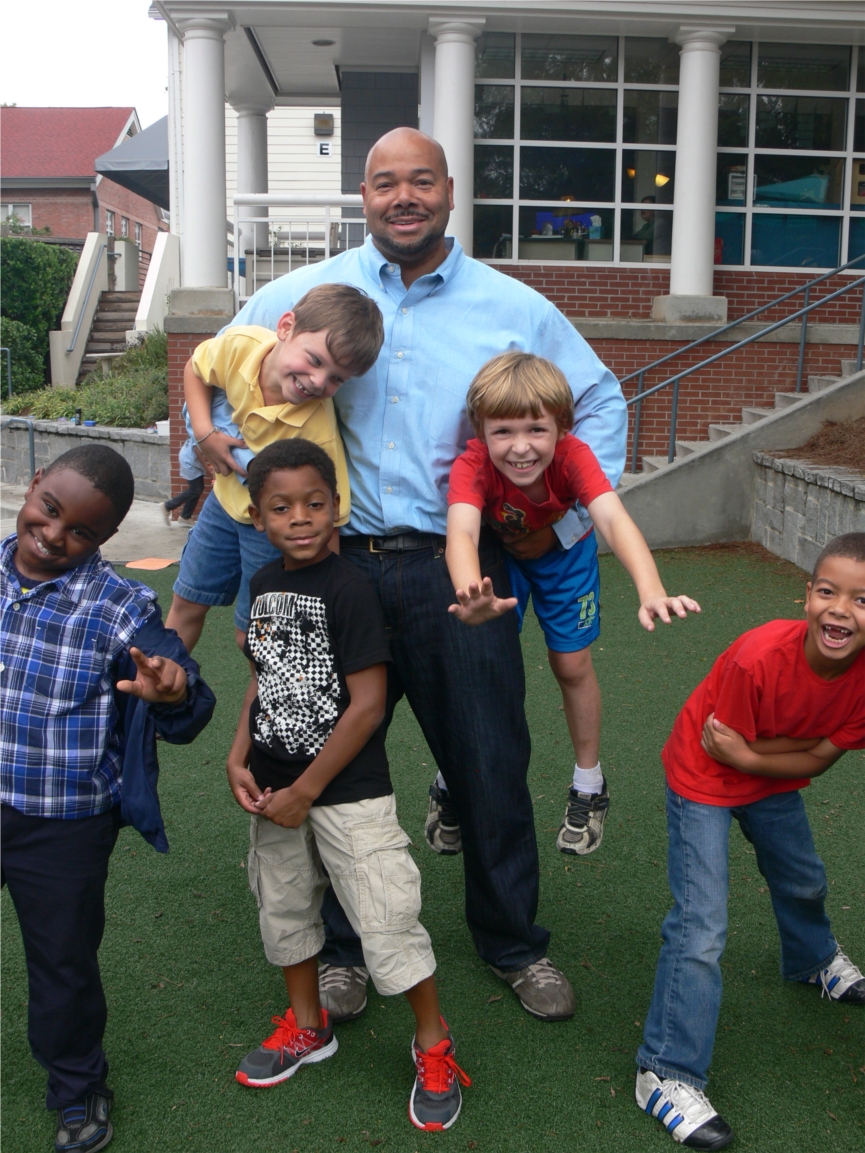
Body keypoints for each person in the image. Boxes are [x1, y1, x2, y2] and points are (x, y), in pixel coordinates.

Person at [228, 126, 628, 1024]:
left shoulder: (512, 305)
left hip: (459, 569)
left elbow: (601, 400)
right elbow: (223, 379)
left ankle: (512, 941)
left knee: (489, 758)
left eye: (419, 181)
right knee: (315, 759)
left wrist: (556, 521)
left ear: (450, 191)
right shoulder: (296, 296)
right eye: (382, 183)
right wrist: (210, 459)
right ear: (362, 195)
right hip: (326, 573)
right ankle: (339, 951)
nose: (401, 196)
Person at [226, 439, 470, 1131]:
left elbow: (367, 704)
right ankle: (309, 1027)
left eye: (313, 503)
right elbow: (262, 677)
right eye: (281, 506)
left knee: (387, 919)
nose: (299, 517)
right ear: (256, 515)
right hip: (273, 790)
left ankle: (432, 1042)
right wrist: (237, 755)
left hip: (345, 793)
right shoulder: (263, 582)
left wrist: (307, 788)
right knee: (285, 912)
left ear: (338, 506)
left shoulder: (351, 588)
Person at [1, 444, 216, 1153]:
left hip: (60, 825)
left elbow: (184, 685)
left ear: (106, 539)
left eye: (81, 531)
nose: (54, 533)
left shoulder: (118, 604)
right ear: (33, 487)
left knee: (62, 960)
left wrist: (175, 686)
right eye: (50, 510)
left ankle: (77, 1084)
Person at [635, 533, 865, 1150]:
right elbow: (723, 748)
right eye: (828, 591)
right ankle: (665, 1070)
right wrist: (776, 755)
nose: (841, 609)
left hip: (764, 774)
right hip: (703, 779)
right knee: (702, 926)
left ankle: (812, 960)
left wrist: (762, 755)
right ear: (806, 596)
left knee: (804, 878)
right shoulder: (756, 656)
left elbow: (816, 760)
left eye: (862, 599)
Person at [445, 351, 700, 855]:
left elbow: (612, 519)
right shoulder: (471, 463)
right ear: (480, 430)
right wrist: (470, 591)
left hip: (565, 558)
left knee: (571, 663)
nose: (521, 448)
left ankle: (589, 784)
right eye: (503, 432)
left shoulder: (573, 455)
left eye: (536, 429)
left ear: (561, 426)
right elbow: (461, 532)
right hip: (505, 557)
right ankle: (453, 776)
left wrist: (650, 589)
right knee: (484, 662)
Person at [165, 283, 384, 654]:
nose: (318, 382)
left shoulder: (317, 433)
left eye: (336, 379)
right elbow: (196, 369)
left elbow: (329, 515)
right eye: (315, 360)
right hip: (224, 501)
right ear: (285, 327)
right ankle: (149, 695)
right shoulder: (240, 346)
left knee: (252, 636)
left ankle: (265, 710)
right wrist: (204, 433)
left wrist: (324, 588)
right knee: (185, 602)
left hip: (270, 524)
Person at [161, 433, 207, 529]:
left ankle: (185, 516)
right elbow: (197, 449)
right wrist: (207, 467)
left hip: (189, 459)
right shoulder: (203, 429)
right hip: (189, 461)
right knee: (195, 489)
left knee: (198, 488)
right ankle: (167, 506)